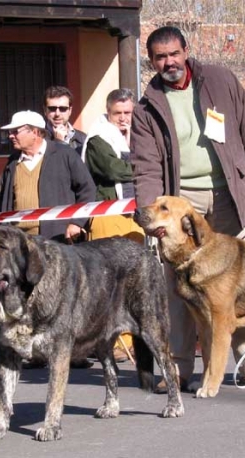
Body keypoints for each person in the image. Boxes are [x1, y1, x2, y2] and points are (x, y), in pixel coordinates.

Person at [130, 26, 245, 393]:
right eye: (160, 57)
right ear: (151, 61)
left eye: (173, 53)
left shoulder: (220, 80)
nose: (169, 62)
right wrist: (152, 216)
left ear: (186, 50)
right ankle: (180, 368)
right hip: (181, 200)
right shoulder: (146, 106)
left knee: (238, 281)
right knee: (179, 286)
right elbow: (146, 166)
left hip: (228, 193)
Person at [0, 110, 96, 368]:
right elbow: (4, 202)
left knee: (62, 298)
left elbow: (87, 189)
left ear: (35, 131)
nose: (10, 135)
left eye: (16, 131)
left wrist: (76, 222)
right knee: (27, 298)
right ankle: (35, 351)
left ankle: (74, 351)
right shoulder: (12, 163)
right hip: (21, 244)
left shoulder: (63, 155)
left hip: (55, 241)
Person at [82, 88, 144, 362]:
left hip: (133, 215)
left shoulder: (138, 137)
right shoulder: (98, 138)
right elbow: (113, 170)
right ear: (108, 112)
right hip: (107, 215)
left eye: (128, 113)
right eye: (117, 113)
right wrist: (146, 169)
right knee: (108, 284)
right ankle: (110, 342)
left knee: (134, 282)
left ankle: (132, 340)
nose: (123, 119)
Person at [43, 85, 87, 155]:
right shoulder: (38, 138)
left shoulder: (83, 138)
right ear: (45, 110)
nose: (57, 114)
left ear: (70, 110)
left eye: (63, 109)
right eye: (52, 109)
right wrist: (58, 142)